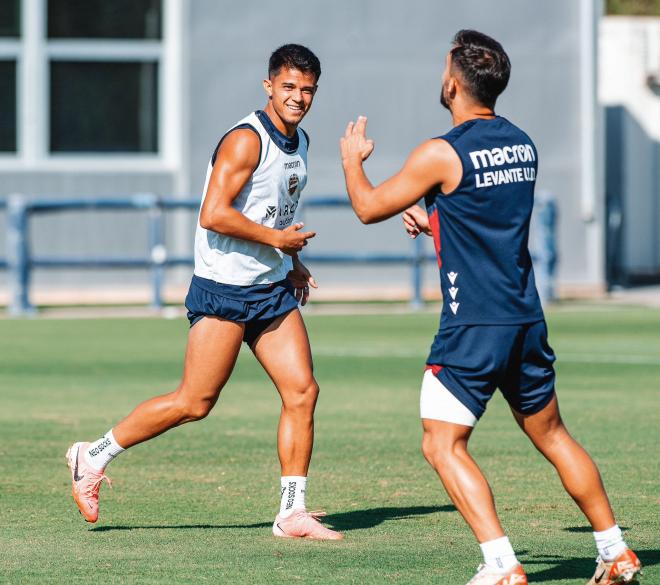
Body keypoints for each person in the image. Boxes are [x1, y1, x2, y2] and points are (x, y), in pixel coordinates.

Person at [340, 29, 641, 585]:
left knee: (442, 442)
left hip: (474, 324)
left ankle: (500, 563)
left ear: (453, 84)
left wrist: (353, 160)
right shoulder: (522, 143)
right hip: (525, 318)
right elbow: (484, 215)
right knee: (554, 435)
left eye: (443, 69)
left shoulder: (441, 151)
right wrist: (431, 213)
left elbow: (365, 208)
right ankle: (615, 549)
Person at [66, 44, 342, 541]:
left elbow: (273, 215)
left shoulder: (299, 141)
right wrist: (278, 242)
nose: (298, 97)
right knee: (194, 402)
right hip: (224, 289)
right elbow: (213, 213)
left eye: (307, 90)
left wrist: (292, 262)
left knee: (302, 390)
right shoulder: (245, 141)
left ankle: (291, 512)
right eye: (288, 87)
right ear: (268, 86)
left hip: (270, 288)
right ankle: (93, 454)